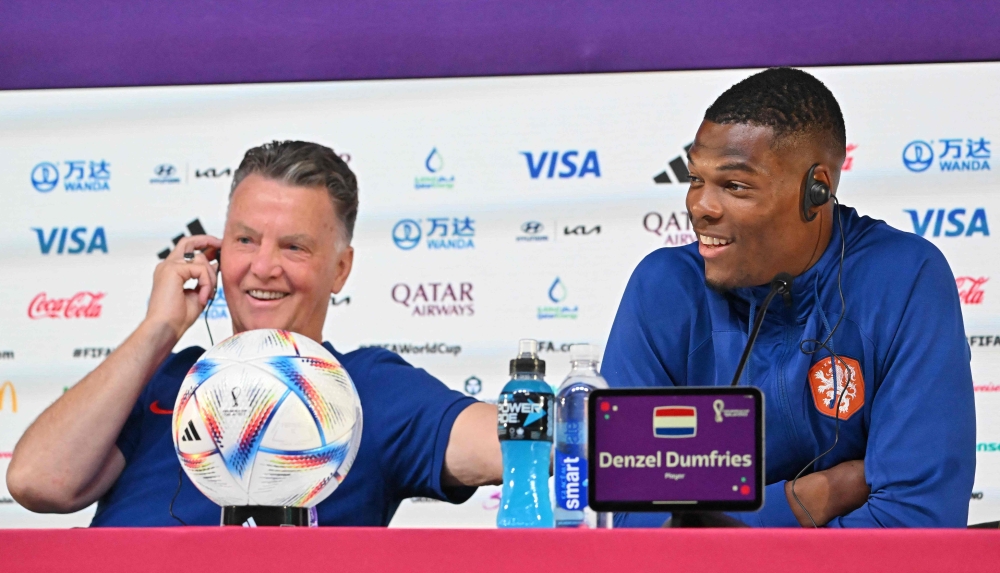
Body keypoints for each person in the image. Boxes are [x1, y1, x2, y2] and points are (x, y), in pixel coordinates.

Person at [6, 141, 502, 526]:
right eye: (245, 240)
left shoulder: (367, 387)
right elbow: (38, 482)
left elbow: (517, 441)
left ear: (340, 270)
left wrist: (572, 417)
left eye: (294, 247)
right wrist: (159, 328)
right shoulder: (164, 378)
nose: (263, 267)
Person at [603, 68, 975, 528]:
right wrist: (806, 499)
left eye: (734, 185)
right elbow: (629, 519)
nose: (700, 206)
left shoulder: (904, 277)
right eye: (696, 179)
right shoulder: (664, 287)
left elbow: (918, 524)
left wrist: (720, 523)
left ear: (815, 189)